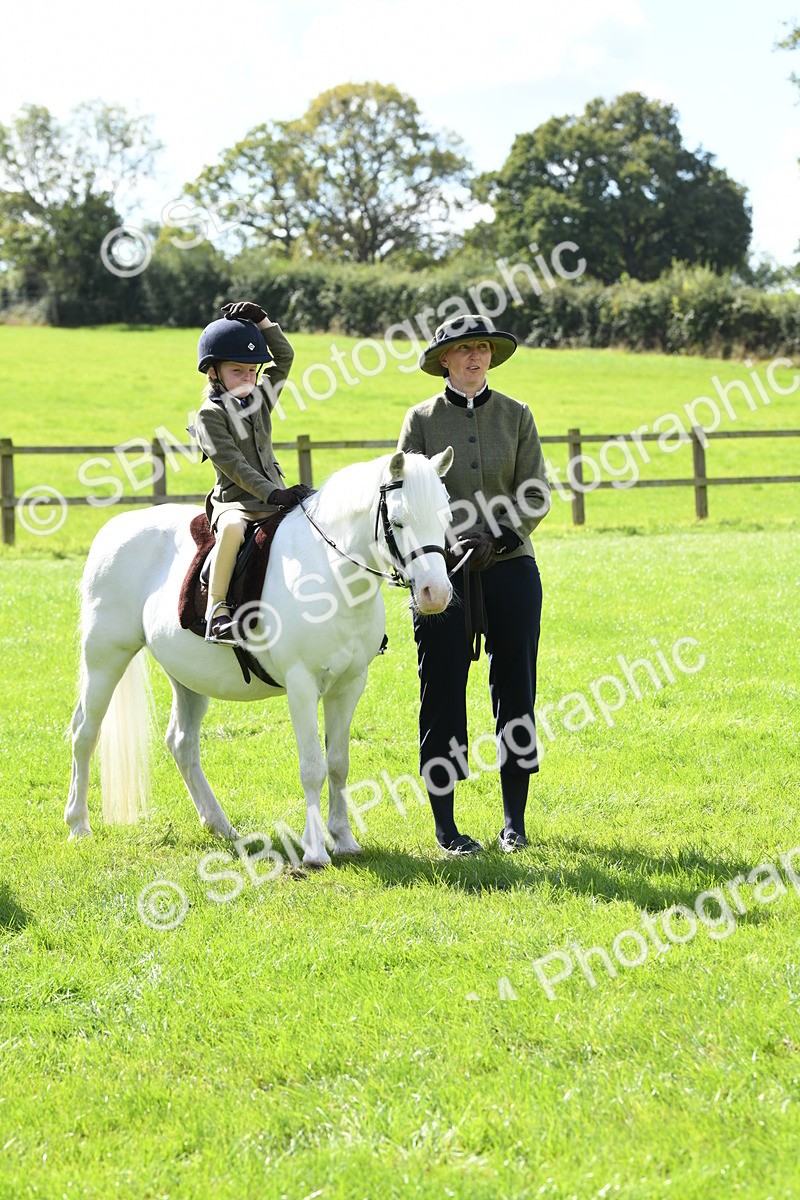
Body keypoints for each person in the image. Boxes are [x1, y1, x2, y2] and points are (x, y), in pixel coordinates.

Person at [397, 314, 551, 855]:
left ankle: (515, 823)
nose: (474, 357)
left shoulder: (517, 415)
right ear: (445, 359)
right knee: (440, 692)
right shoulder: (419, 421)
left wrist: (501, 537)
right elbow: (407, 497)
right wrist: (453, 541)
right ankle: (446, 829)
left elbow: (536, 493)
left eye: (482, 348)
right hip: (442, 571)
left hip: (511, 567)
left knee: (517, 691)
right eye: (463, 350)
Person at [193, 300, 312, 643]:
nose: (247, 378)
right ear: (213, 372)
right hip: (236, 502)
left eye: (251, 371)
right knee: (231, 530)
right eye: (237, 371)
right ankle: (217, 611)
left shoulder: (259, 397)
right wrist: (273, 494)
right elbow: (235, 466)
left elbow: (285, 358)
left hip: (276, 495)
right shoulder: (209, 415)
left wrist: (263, 321)